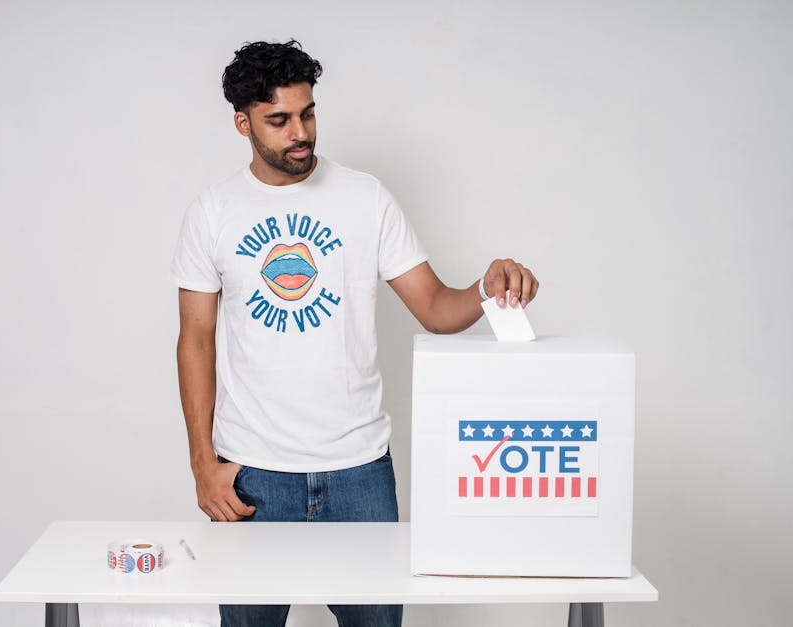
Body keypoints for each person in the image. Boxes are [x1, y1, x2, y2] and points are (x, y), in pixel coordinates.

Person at [170, 39, 539, 627]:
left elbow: (437, 308)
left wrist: (487, 286)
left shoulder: (365, 198)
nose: (301, 133)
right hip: (252, 473)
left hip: (360, 473)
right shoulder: (213, 211)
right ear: (243, 124)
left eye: (308, 113)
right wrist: (201, 465)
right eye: (280, 120)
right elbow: (196, 340)